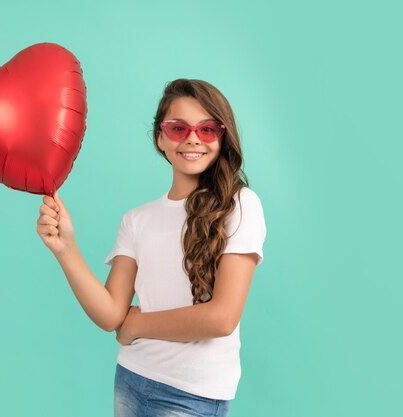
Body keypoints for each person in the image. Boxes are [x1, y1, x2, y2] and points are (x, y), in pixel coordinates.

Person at [36, 79, 267, 417]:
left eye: (207, 129)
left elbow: (222, 318)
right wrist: (65, 248)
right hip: (131, 379)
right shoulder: (137, 220)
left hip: (193, 395)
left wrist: (137, 325)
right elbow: (111, 313)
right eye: (178, 128)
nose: (192, 138)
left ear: (223, 135)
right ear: (160, 137)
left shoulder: (240, 204)